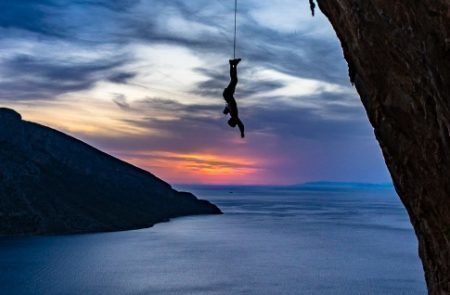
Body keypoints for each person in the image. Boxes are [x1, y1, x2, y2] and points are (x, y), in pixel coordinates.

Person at [223, 58, 245, 138]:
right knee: (234, 79)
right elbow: (228, 108)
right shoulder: (232, 114)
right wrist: (226, 110)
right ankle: (233, 64)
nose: (236, 122)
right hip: (227, 95)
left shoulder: (234, 116)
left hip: (228, 95)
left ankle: (232, 64)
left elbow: (241, 125)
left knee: (234, 80)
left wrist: (242, 133)